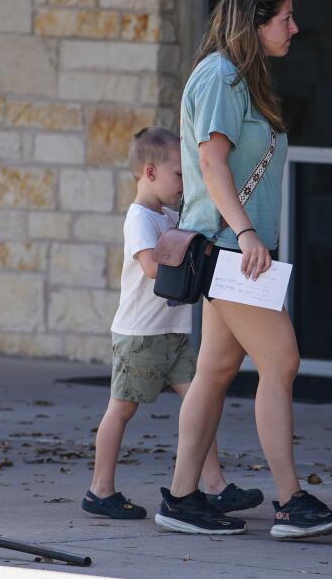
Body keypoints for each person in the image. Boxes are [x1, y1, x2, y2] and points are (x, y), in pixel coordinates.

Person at [154, 0, 332, 539]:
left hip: (234, 252)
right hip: (228, 251)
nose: (295, 27)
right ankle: (290, 502)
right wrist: (245, 235)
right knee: (282, 360)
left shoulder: (241, 78)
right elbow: (213, 166)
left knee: (215, 372)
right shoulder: (220, 76)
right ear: (254, 20)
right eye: (285, 18)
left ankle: (182, 497)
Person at [82, 127, 262, 521]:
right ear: (149, 173)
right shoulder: (141, 219)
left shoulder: (168, 215)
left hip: (174, 333)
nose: (184, 184)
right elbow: (150, 267)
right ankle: (100, 489)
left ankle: (214, 486)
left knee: (202, 400)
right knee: (121, 410)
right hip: (140, 336)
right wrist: (188, 246)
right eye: (179, 175)